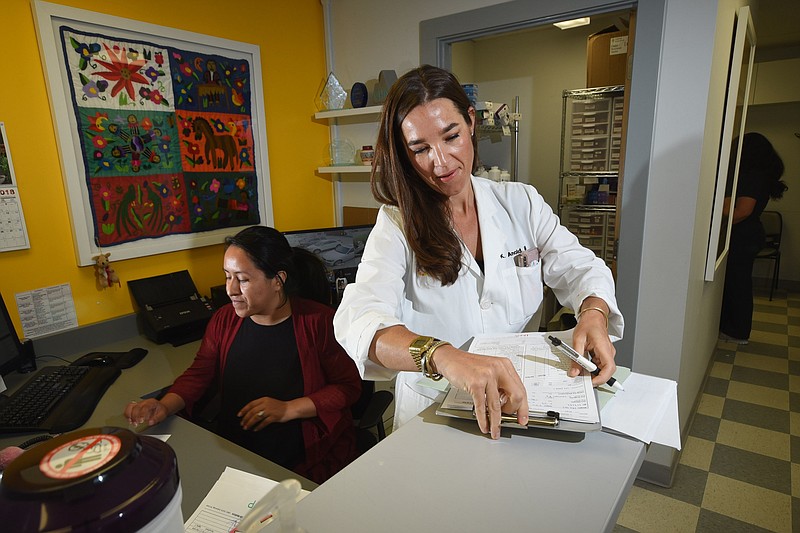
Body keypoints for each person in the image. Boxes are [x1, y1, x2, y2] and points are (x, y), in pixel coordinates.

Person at [333, 65, 623, 440]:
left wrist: (595, 314)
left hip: (518, 399)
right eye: (420, 149)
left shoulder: (521, 202)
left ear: (471, 122)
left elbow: (581, 268)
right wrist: (441, 355)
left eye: (451, 137)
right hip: (434, 414)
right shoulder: (397, 223)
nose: (441, 163)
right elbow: (360, 320)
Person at [125, 226, 362, 483]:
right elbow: (199, 374)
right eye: (227, 276)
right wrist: (164, 405)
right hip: (236, 449)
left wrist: (287, 409)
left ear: (277, 280)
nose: (231, 289)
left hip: (299, 456)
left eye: (243, 279)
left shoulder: (319, 323)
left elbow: (348, 387)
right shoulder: (224, 319)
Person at [719, 132, 788, 343]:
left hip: (744, 237)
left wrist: (718, 217)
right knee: (737, 283)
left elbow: (742, 211)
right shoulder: (759, 175)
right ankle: (734, 329)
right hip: (749, 236)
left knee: (737, 285)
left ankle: (736, 332)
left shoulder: (752, 176)